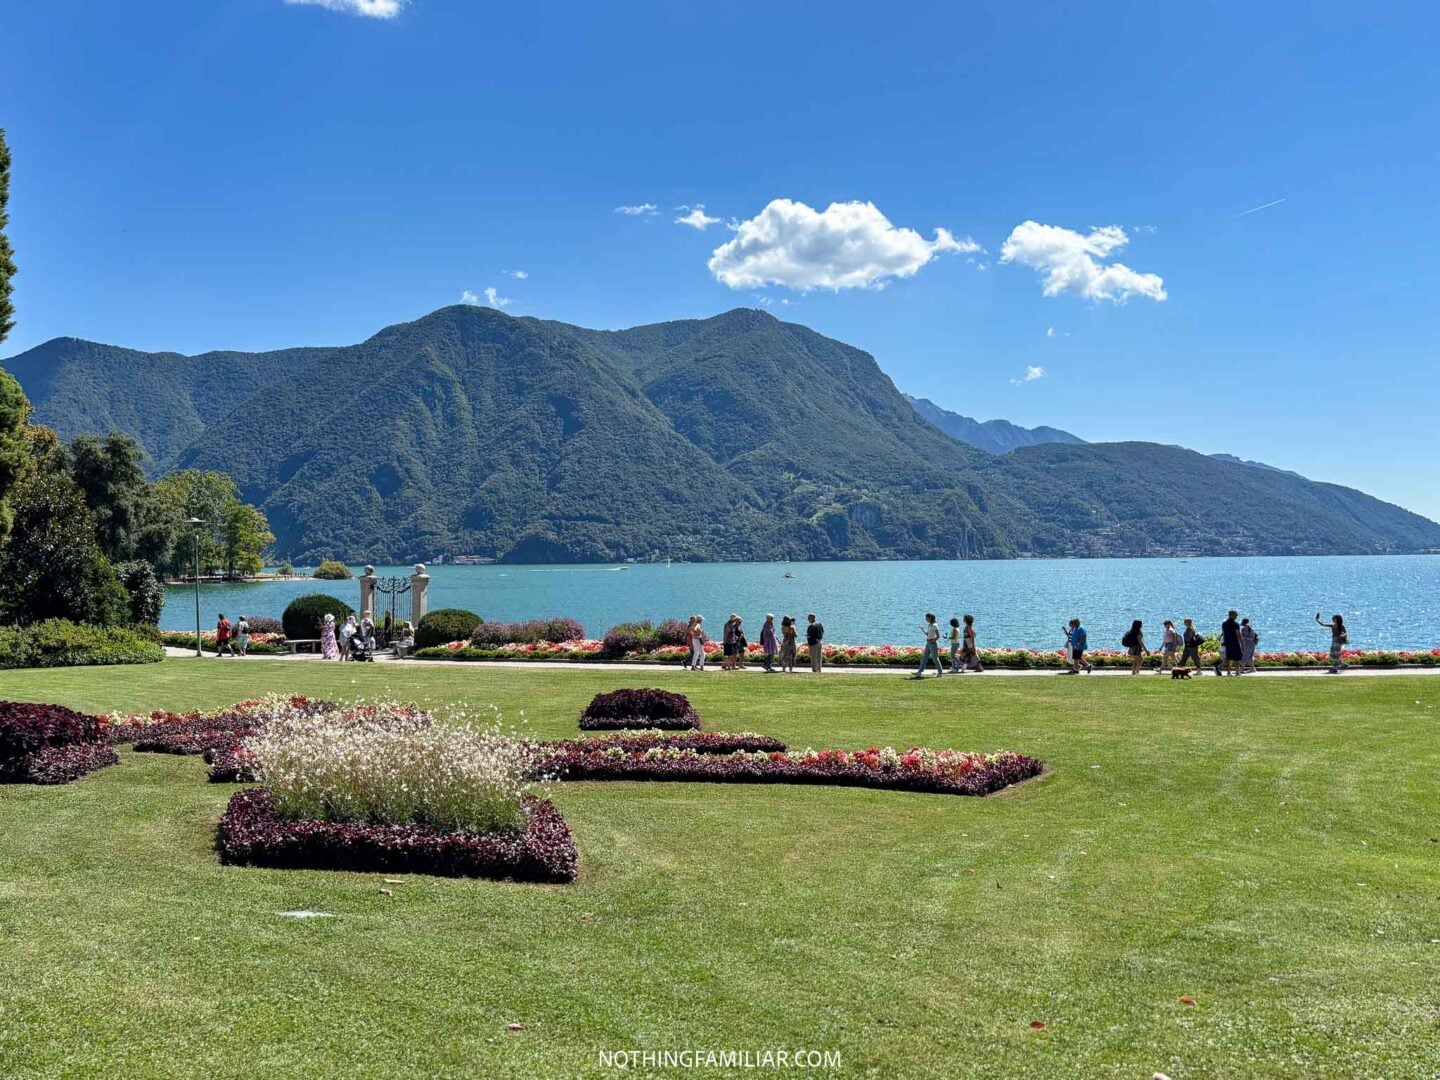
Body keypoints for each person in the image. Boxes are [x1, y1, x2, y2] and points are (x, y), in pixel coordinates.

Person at [914, 612, 944, 678]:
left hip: (933, 644)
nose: (925, 619)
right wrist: (923, 630)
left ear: (930, 618)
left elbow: (938, 636)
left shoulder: (935, 625)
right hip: (928, 643)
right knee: (924, 658)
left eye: (926, 618)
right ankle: (919, 672)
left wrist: (931, 641)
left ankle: (940, 673)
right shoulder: (930, 625)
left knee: (935, 658)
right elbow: (928, 634)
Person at [1219, 610, 1242, 676]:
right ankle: (1237, 672)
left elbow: (1223, 633)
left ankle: (1228, 672)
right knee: (1236, 658)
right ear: (1232, 615)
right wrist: (1241, 643)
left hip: (1227, 642)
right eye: (1236, 615)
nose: (1236, 616)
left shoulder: (1224, 624)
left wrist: (1223, 641)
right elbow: (1238, 634)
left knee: (1228, 658)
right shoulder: (1235, 624)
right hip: (1235, 642)